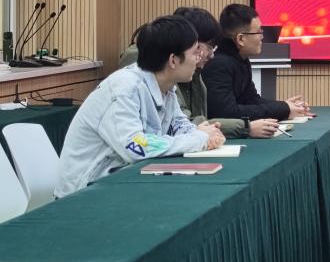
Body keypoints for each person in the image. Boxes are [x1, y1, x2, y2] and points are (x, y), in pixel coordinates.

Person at [55, 15, 225, 198]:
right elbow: (137, 148)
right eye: (194, 53)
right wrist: (198, 139)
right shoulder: (124, 89)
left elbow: (178, 124)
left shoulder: (167, 87)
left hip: (122, 183)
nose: (198, 59)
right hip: (83, 193)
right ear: (173, 60)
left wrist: (205, 134)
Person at [119, 7, 279, 139]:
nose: (211, 55)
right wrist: (245, 128)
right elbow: (146, 139)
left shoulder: (188, 73)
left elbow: (186, 124)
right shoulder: (142, 64)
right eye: (208, 47)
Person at [204, 4, 311, 122]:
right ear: (240, 39)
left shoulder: (241, 59)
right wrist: (283, 109)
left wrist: (286, 106)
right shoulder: (219, 64)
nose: (262, 37)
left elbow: (252, 100)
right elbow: (227, 113)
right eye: (258, 32)